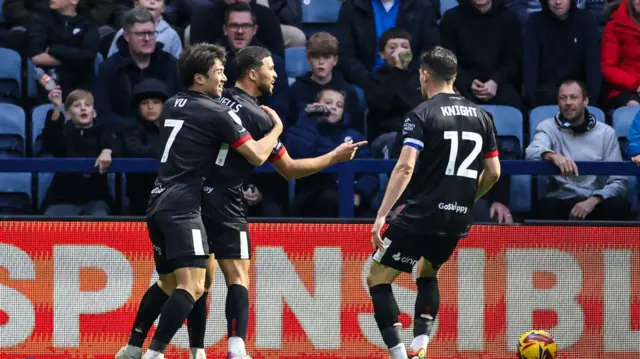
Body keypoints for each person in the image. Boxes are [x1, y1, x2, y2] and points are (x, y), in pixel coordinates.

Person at [115, 43, 283, 359]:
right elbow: (259, 155)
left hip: (157, 201)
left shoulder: (172, 105)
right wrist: (277, 128)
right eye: (218, 72)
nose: (223, 79)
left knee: (168, 283)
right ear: (198, 77)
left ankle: (135, 348)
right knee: (192, 287)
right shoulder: (216, 111)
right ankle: (155, 354)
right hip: (184, 206)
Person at [204, 46, 366, 358]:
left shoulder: (211, 102)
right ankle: (236, 348)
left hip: (193, 198)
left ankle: (168, 348)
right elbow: (289, 169)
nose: (276, 74)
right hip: (226, 202)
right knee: (237, 275)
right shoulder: (259, 116)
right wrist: (334, 156)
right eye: (270, 68)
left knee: (194, 282)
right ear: (253, 74)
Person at [367, 46, 501, 359]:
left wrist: (381, 215)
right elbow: (494, 172)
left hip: (422, 213)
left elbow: (405, 167)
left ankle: (400, 355)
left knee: (376, 276)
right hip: (457, 218)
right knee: (427, 272)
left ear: (425, 75)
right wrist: (465, 200)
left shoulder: (422, 114)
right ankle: (421, 343)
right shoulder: (483, 116)